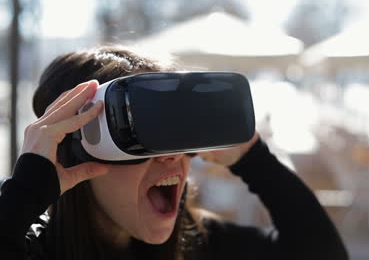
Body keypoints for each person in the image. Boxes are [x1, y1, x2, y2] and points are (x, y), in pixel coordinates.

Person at [0, 46, 348, 260]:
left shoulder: (200, 245)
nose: (172, 156)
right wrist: (25, 192)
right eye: (141, 136)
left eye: (178, 135)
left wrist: (256, 159)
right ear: (74, 150)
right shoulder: (31, 248)